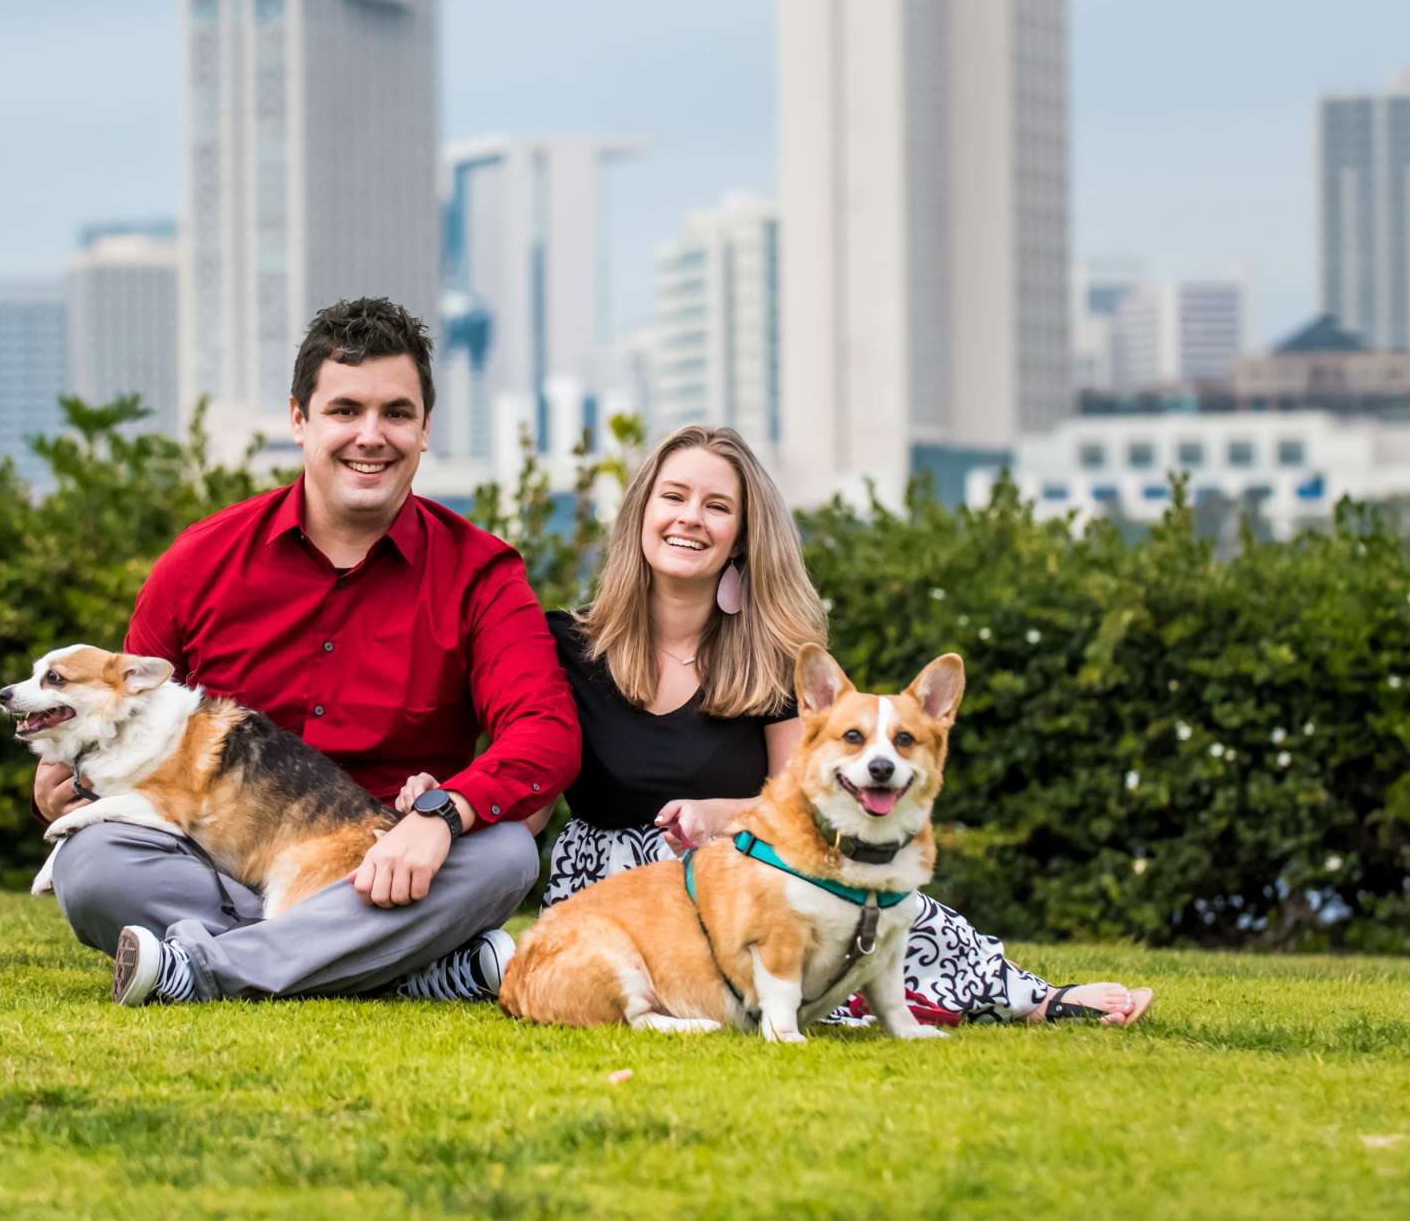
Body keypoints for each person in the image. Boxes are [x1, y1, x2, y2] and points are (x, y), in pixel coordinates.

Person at [401, 424, 1153, 1027]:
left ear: (741, 535)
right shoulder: (568, 643)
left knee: (894, 913)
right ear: (641, 514)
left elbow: (813, 803)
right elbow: (531, 797)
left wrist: (716, 819)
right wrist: (451, 800)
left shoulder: (772, 654)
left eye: (716, 507)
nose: (690, 519)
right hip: (618, 884)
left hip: (747, 861)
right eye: (674, 497)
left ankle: (1038, 998)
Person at [37, 297, 579, 1007]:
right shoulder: (200, 562)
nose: (371, 436)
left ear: (425, 429)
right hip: (216, 860)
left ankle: (202, 970)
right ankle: (397, 967)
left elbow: (547, 734)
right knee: (93, 868)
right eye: (345, 410)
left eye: (397, 413)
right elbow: (121, 722)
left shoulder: (481, 573)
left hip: (391, 868)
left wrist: (444, 814)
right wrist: (69, 774)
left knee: (504, 853)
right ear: (299, 419)